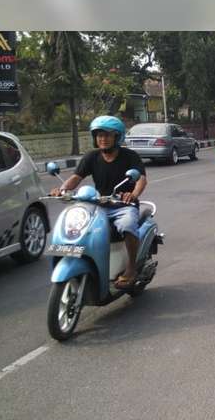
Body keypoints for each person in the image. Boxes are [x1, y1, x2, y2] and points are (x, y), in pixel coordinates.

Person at [50, 116, 147, 290]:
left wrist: (133, 194)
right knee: (78, 228)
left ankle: (131, 268)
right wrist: (62, 189)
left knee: (127, 225)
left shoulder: (129, 156)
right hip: (97, 205)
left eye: (107, 135)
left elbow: (141, 179)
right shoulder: (92, 157)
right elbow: (75, 178)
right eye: (99, 135)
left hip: (122, 206)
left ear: (117, 137)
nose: (103, 139)